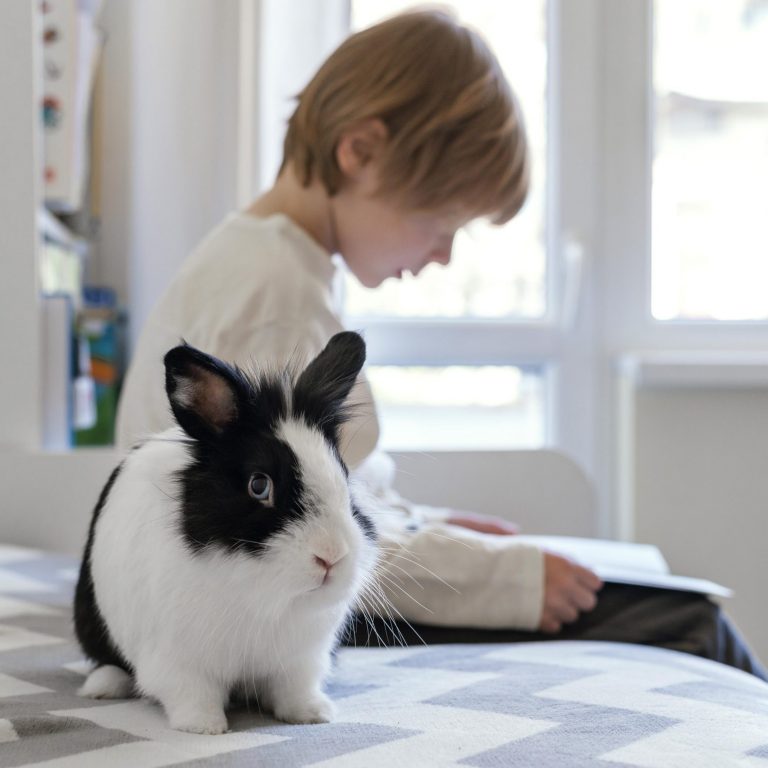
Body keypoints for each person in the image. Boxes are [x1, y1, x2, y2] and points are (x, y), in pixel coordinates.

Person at [115, 10, 766, 679]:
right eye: (440, 222)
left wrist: (434, 524)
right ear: (360, 151)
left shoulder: (265, 264)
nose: (443, 255)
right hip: (272, 612)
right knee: (690, 625)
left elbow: (323, 500)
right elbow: (321, 549)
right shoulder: (274, 298)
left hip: (273, 588)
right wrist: (511, 583)